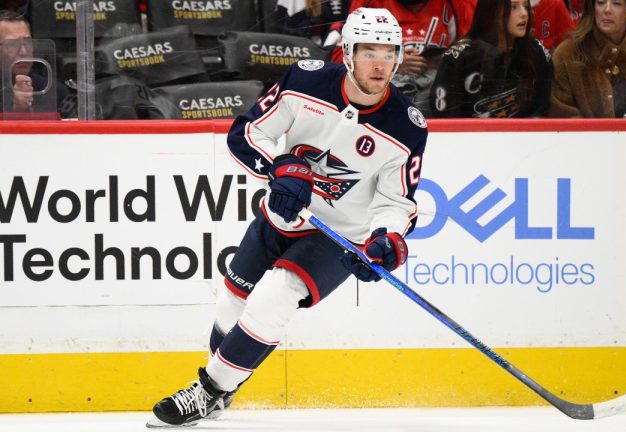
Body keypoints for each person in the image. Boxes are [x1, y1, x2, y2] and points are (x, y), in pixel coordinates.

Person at [146, 7, 428, 428]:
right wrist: (278, 166)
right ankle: (223, 389)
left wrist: (385, 239)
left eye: (389, 53)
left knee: (276, 293)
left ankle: (207, 392)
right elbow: (247, 132)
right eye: (369, 51)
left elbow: (397, 202)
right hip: (280, 217)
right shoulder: (305, 82)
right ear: (347, 54)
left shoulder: (406, 126)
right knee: (231, 304)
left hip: (337, 236)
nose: (380, 63)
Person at [329, 0, 477, 114]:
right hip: (387, 87)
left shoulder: (458, 3)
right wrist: (392, 61)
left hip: (438, 87)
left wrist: (448, 58)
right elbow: (340, 57)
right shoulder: (368, 3)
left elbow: (477, 51)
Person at [430, 0, 552, 118]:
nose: (524, 13)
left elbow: (541, 109)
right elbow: (445, 117)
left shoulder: (535, 50)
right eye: (514, 7)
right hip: (470, 137)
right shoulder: (460, 56)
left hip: (524, 136)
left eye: (526, 6)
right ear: (493, 12)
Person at [0, 9, 72, 118]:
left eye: (28, 42)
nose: (23, 52)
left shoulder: (54, 90)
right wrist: (17, 110)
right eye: (12, 44)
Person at [270, 0, 350, 47]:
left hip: (341, 49)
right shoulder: (295, 2)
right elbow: (278, 27)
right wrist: (310, 27)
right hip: (309, 51)